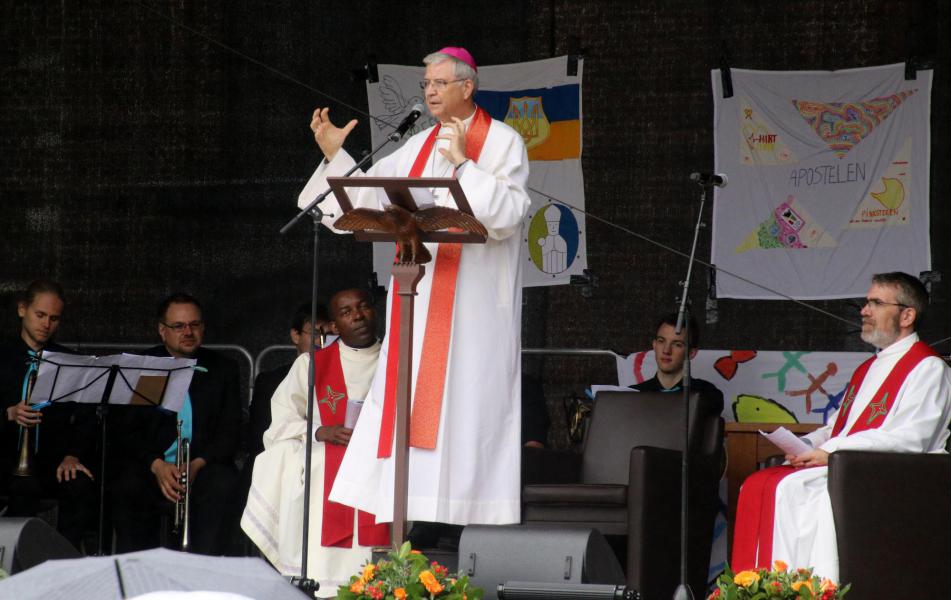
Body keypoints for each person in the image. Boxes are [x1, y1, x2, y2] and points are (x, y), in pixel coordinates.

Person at [298, 46, 531, 526]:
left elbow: (507, 214)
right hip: (419, 299)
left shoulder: (504, 141)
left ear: (467, 87)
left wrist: (465, 164)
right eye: (425, 84)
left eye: (439, 83)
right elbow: (365, 197)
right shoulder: (420, 144)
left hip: (474, 309)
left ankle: (467, 518)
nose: (428, 91)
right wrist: (334, 155)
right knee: (410, 403)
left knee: (463, 406)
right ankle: (413, 520)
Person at [731, 272, 951, 580]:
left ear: (907, 315)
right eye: (866, 302)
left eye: (876, 302)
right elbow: (839, 428)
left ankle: (812, 588)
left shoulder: (928, 367)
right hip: (851, 464)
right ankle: (764, 587)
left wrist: (830, 452)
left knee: (795, 491)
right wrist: (806, 446)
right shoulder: (869, 368)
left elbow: (911, 438)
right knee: (761, 483)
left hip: (893, 477)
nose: (864, 310)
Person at [242, 288, 388, 591]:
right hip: (326, 453)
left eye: (363, 307)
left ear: (375, 311)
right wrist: (320, 431)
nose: (357, 316)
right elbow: (280, 420)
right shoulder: (311, 365)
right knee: (311, 462)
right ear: (334, 325)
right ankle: (320, 576)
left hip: (383, 457)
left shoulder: (397, 362)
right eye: (346, 312)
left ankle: (380, 579)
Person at [110, 293, 242, 555]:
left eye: (194, 324)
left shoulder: (222, 369)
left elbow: (231, 431)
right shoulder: (145, 367)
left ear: (203, 328)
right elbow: (126, 431)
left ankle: (205, 572)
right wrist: (157, 465)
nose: (188, 332)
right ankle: (138, 573)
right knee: (126, 487)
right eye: (179, 326)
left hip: (202, 466)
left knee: (224, 486)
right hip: (152, 466)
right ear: (162, 331)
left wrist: (197, 464)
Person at [0, 279, 97, 551]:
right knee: (23, 489)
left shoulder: (69, 361)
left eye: (54, 318)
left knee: (80, 486)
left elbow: (86, 416)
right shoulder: (2, 356)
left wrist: (72, 455)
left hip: (51, 461)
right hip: (5, 459)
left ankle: (62, 560)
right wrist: (7, 414)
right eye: (40, 315)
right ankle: (14, 561)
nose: (46, 324)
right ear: (22, 310)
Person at [247, 302, 333, 459]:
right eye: (314, 333)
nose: (320, 341)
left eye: (327, 335)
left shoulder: (338, 378)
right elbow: (259, 435)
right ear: (295, 335)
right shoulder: (269, 381)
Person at [630, 313, 725, 417]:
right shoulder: (633, 394)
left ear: (692, 353)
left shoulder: (707, 394)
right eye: (661, 341)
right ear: (654, 345)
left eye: (677, 344)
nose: (666, 350)